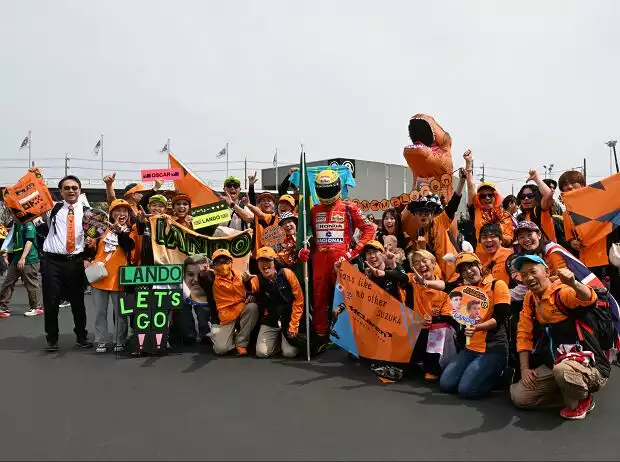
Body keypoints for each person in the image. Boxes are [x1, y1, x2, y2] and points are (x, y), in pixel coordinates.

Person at [510, 255, 609, 420]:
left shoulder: (561, 291)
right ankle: (568, 393)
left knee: (562, 371)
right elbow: (524, 333)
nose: (529, 277)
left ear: (547, 271)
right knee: (520, 397)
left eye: (533, 272)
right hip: (554, 363)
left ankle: (584, 399)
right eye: (524, 274)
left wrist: (574, 283)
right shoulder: (530, 298)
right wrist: (524, 369)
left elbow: (589, 299)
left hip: (589, 365)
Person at [298, 169, 376, 349]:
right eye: (322, 190)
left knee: (346, 300)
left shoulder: (350, 207)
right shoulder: (313, 210)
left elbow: (369, 229)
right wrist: (304, 251)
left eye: (329, 189)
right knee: (318, 299)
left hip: (342, 262)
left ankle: (349, 336)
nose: (326, 194)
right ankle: (321, 334)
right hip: (319, 262)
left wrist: (352, 253)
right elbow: (306, 236)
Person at [415, 252, 511, 398]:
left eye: (471, 266)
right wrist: (425, 282)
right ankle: (477, 373)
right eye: (463, 270)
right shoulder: (463, 290)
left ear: (479, 265)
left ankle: (498, 373)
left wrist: (478, 327)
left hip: (492, 348)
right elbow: (445, 286)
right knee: (446, 384)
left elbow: (501, 318)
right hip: (470, 349)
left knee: (466, 390)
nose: (469, 272)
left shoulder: (497, 285)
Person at [41, 175, 93, 352]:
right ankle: (52, 339)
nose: (71, 190)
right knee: (51, 301)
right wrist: (36, 178)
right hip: (52, 262)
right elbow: (29, 208)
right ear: (61, 191)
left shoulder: (89, 212)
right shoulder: (52, 209)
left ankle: (81, 336)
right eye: (67, 188)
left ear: (80, 190)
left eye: (74, 188)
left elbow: (94, 236)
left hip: (75, 262)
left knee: (78, 302)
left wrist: (89, 252)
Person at [86, 199, 136, 353]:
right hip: (99, 277)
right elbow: (91, 252)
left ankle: (119, 341)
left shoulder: (132, 230)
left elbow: (129, 246)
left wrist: (120, 232)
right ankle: (101, 340)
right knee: (100, 312)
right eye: (117, 211)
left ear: (128, 215)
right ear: (111, 213)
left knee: (120, 313)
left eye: (124, 211)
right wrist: (88, 245)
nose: (121, 214)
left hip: (120, 278)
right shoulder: (101, 229)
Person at [407, 164, 466, 280]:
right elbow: (424, 261)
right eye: (420, 213)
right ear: (415, 215)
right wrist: (422, 249)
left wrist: (462, 182)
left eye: (426, 213)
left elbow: (453, 205)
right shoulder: (419, 235)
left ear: (433, 214)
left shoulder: (441, 221)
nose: (423, 216)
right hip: (438, 280)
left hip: (456, 274)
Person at [198, 249, 259, 355]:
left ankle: (241, 343)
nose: (223, 265)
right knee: (221, 349)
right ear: (214, 265)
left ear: (231, 262)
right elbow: (204, 280)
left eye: (225, 261)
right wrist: (203, 273)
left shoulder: (241, 276)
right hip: (225, 317)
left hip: (240, 309)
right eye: (219, 263)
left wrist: (250, 291)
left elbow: (254, 289)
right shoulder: (212, 279)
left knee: (253, 307)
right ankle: (216, 334)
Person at [408, 250, 457, 382]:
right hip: (414, 331)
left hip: (434, 333)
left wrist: (432, 319)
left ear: (434, 263)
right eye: (416, 263)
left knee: (442, 329)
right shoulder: (412, 280)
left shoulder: (445, 291)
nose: (421, 265)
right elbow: (397, 276)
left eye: (424, 261)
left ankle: (432, 367)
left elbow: (448, 317)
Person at [248, 247, 304, 358]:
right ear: (257, 264)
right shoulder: (256, 279)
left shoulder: (287, 274)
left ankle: (283, 341)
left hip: (288, 320)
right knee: (261, 353)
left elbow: (299, 300)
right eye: (261, 261)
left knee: (289, 353)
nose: (264, 264)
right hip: (270, 320)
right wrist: (245, 282)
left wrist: (293, 325)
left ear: (275, 261)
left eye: (268, 260)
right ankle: (277, 342)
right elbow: (248, 288)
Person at [465, 151, 514, 250]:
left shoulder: (504, 215)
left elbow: (509, 239)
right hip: (480, 256)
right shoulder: (475, 210)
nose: (487, 198)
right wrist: (468, 164)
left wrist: (494, 237)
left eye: (490, 195)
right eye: (483, 196)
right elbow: (470, 187)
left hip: (499, 256)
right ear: (479, 198)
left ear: (495, 196)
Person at [0, 214, 43, 318]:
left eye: (13, 214)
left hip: (29, 258)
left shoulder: (28, 224)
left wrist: (23, 258)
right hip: (17, 258)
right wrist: (5, 253)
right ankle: (3, 307)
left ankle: (36, 308)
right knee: (8, 282)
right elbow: (11, 240)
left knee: (31, 283)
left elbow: (29, 241)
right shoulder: (16, 225)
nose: (12, 216)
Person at [516, 170, 556, 242]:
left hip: (546, 252)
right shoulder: (520, 218)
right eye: (523, 196)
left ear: (537, 197)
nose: (526, 198)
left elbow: (548, 194)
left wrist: (536, 178)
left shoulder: (540, 211)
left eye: (530, 196)